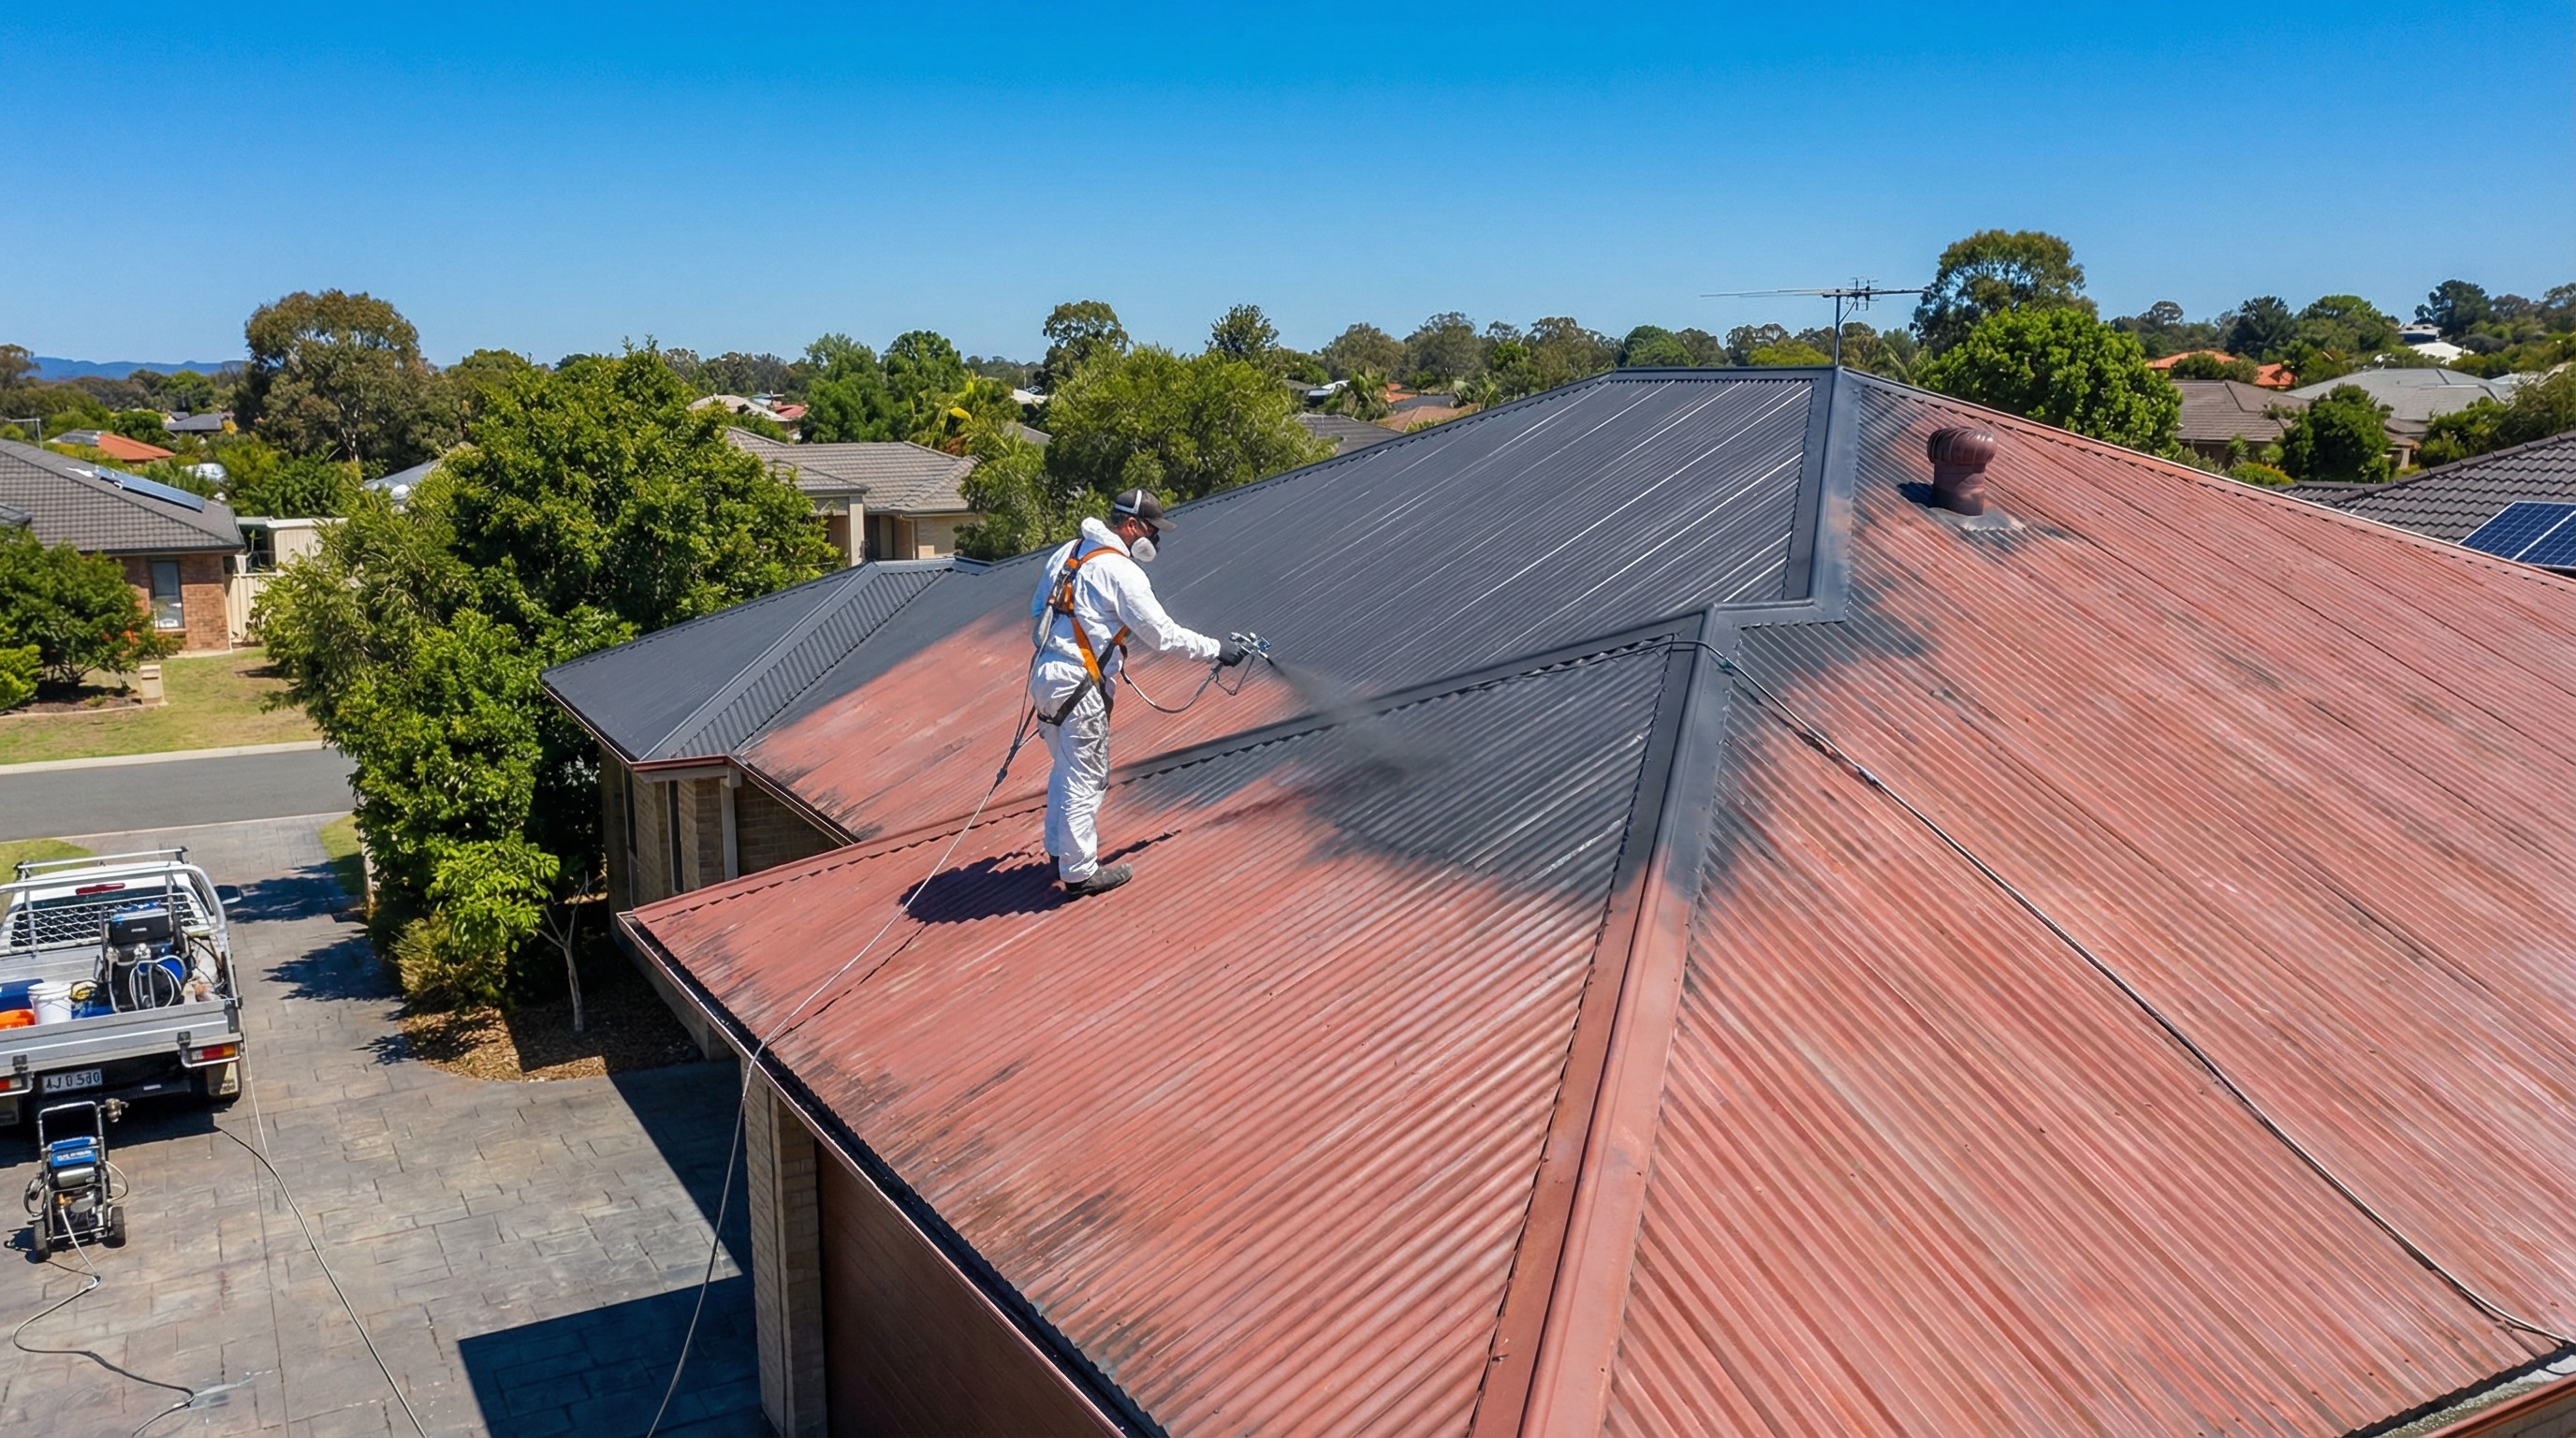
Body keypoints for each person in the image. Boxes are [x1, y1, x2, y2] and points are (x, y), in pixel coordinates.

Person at [1028, 489, 1247, 896]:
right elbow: (1162, 635)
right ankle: (1078, 873)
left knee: (1065, 765)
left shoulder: (1069, 553)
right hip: (1079, 682)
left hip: (1045, 677)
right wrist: (1217, 649)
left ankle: (1059, 851)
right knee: (1087, 776)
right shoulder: (1121, 571)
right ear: (1130, 526)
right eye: (1151, 529)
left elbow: (1039, 612)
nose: (1155, 540)